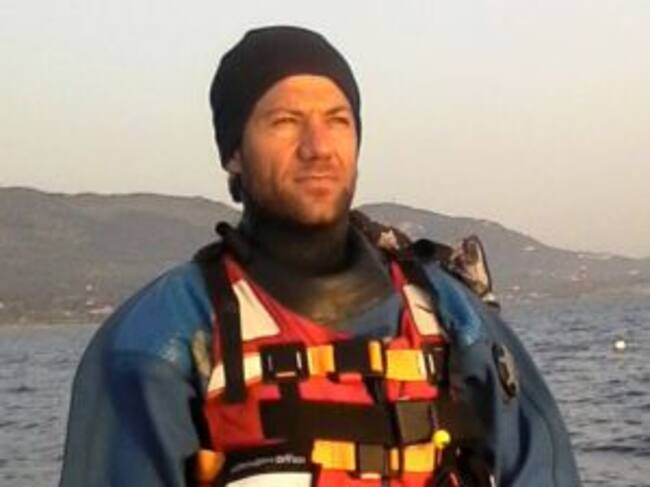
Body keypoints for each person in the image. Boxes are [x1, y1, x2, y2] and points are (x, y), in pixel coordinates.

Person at [59, 26, 581, 486]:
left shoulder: (453, 318)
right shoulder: (161, 337)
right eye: (285, 121)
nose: (318, 147)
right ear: (234, 152)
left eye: (338, 120)